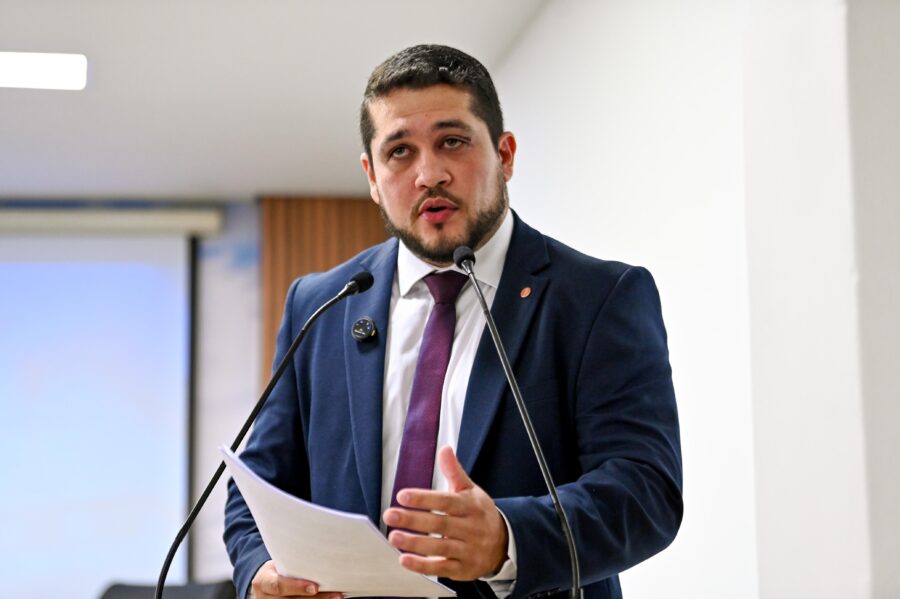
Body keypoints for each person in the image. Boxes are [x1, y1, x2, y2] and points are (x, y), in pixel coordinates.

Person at [224, 44, 682, 599]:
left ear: (505, 154)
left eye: (453, 142)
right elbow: (256, 490)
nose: (428, 174)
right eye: (399, 152)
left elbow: (646, 491)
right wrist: (261, 574)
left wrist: (508, 539)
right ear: (372, 176)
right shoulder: (322, 303)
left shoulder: (598, 297)